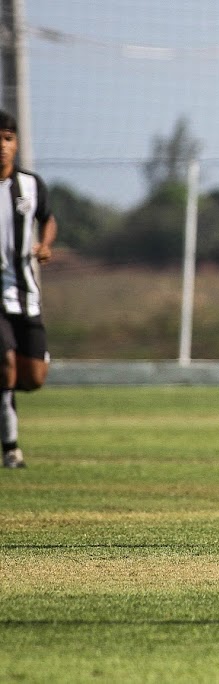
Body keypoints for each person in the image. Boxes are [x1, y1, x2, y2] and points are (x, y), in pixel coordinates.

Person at [0, 110, 56, 470]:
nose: (1, 147)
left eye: (7, 139)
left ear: (16, 144)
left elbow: (47, 218)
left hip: (25, 292)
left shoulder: (31, 186)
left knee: (33, 377)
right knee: (5, 366)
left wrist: (45, 245)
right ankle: (11, 448)